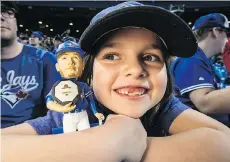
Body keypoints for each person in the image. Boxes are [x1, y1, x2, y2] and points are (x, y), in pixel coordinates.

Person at [2, 2, 230, 162]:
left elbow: (224, 143)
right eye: (111, 56)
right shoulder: (70, 113)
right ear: (87, 72)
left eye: (151, 57)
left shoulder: (164, 109)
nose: (135, 70)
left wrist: (130, 147)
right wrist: (107, 143)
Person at [1, 1, 61, 128]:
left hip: (29, 140)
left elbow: (57, 114)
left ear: (16, 23)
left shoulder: (46, 60)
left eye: (8, 13)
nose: (1, 17)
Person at [170, 13, 230, 126]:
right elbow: (205, 103)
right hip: (201, 136)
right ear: (216, 31)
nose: (227, 40)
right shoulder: (191, 58)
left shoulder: (200, 58)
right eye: (226, 34)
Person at [46, 41, 104, 133]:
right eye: (64, 58)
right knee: (70, 137)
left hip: (83, 114)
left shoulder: (83, 86)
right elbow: (49, 101)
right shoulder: (58, 87)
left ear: (83, 66)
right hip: (68, 115)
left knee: (86, 135)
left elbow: (91, 99)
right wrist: (60, 108)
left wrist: (95, 112)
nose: (70, 62)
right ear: (57, 67)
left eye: (76, 58)